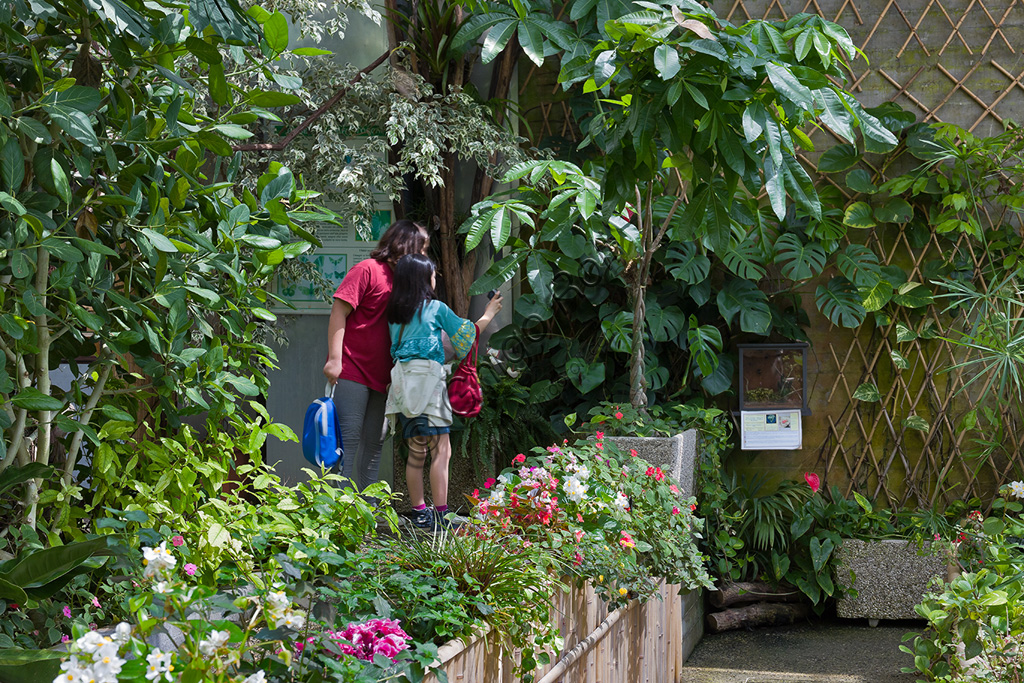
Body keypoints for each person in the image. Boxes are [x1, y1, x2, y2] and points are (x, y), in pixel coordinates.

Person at [384, 254, 503, 530]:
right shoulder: (436, 308)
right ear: (424, 279)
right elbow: (466, 336)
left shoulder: (394, 315)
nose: (436, 278)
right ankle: (440, 514)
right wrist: (489, 313)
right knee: (442, 451)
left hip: (404, 386)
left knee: (416, 452)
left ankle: (419, 512)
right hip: (429, 386)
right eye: (433, 274)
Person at [323, 220, 429, 491]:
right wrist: (335, 359)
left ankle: (367, 517)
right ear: (407, 246)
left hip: (384, 378)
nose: (425, 256)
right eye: (423, 249)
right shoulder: (367, 270)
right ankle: (333, 516)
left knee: (375, 442)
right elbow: (339, 310)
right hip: (352, 369)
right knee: (346, 441)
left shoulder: (408, 282)